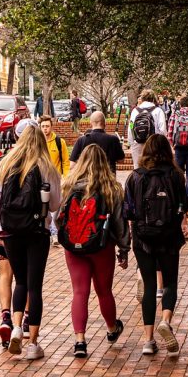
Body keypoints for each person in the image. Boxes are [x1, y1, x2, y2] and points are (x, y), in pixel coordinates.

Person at [0, 124, 61, 360]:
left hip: (10, 232)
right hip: (36, 230)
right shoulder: (46, 167)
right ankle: (33, 343)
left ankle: (17, 328)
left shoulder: (5, 165)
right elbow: (54, 205)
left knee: (19, 281)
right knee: (34, 286)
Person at [60, 144, 129, 357]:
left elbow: (59, 216)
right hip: (101, 246)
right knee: (104, 291)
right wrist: (124, 248)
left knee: (80, 292)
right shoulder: (112, 188)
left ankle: (80, 341)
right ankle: (111, 328)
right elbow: (119, 222)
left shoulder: (69, 185)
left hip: (74, 245)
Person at [123, 134, 188, 355]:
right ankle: (166, 320)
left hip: (143, 238)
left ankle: (148, 340)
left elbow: (128, 211)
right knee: (170, 282)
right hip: (169, 236)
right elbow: (184, 205)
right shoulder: (175, 175)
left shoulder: (135, 177)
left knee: (150, 286)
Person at [0, 119, 35, 348]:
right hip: (30, 229)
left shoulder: (0, 160)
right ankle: (23, 319)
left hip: (4, 228)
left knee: (6, 275)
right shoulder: (37, 162)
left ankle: (5, 316)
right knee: (27, 278)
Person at [40, 115, 69, 246]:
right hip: (41, 179)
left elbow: (66, 161)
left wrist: (66, 177)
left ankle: (55, 233)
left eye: (47, 126)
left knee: (55, 208)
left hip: (57, 180)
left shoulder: (59, 142)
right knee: (44, 208)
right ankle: (50, 233)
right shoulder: (38, 142)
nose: (45, 129)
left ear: (51, 127)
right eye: (43, 126)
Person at [128, 89, 167, 168]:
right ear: (153, 99)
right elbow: (162, 130)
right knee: (154, 169)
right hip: (153, 145)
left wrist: (132, 142)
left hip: (138, 144)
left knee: (138, 169)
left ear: (142, 99)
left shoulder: (135, 111)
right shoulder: (158, 111)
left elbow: (131, 127)